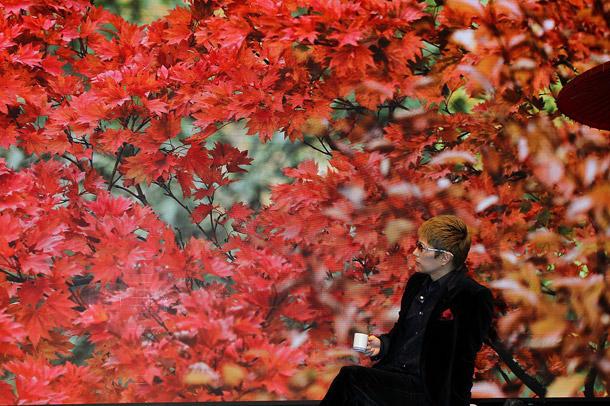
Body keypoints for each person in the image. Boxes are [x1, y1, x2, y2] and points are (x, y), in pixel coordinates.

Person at [320, 215, 494, 406]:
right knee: (355, 397)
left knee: (351, 378)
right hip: (394, 374)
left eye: (421, 248)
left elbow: (465, 359)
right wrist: (382, 344)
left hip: (426, 388)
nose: (414, 253)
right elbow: (402, 331)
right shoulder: (416, 282)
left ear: (445, 257)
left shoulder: (473, 296)